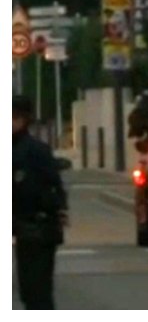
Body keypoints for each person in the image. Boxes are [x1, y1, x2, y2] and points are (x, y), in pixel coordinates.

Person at [13, 95, 68, 310]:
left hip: (39, 226)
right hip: (24, 228)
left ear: (23, 119)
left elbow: (52, 185)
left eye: (13, 117)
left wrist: (58, 209)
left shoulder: (34, 150)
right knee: (28, 290)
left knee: (37, 291)